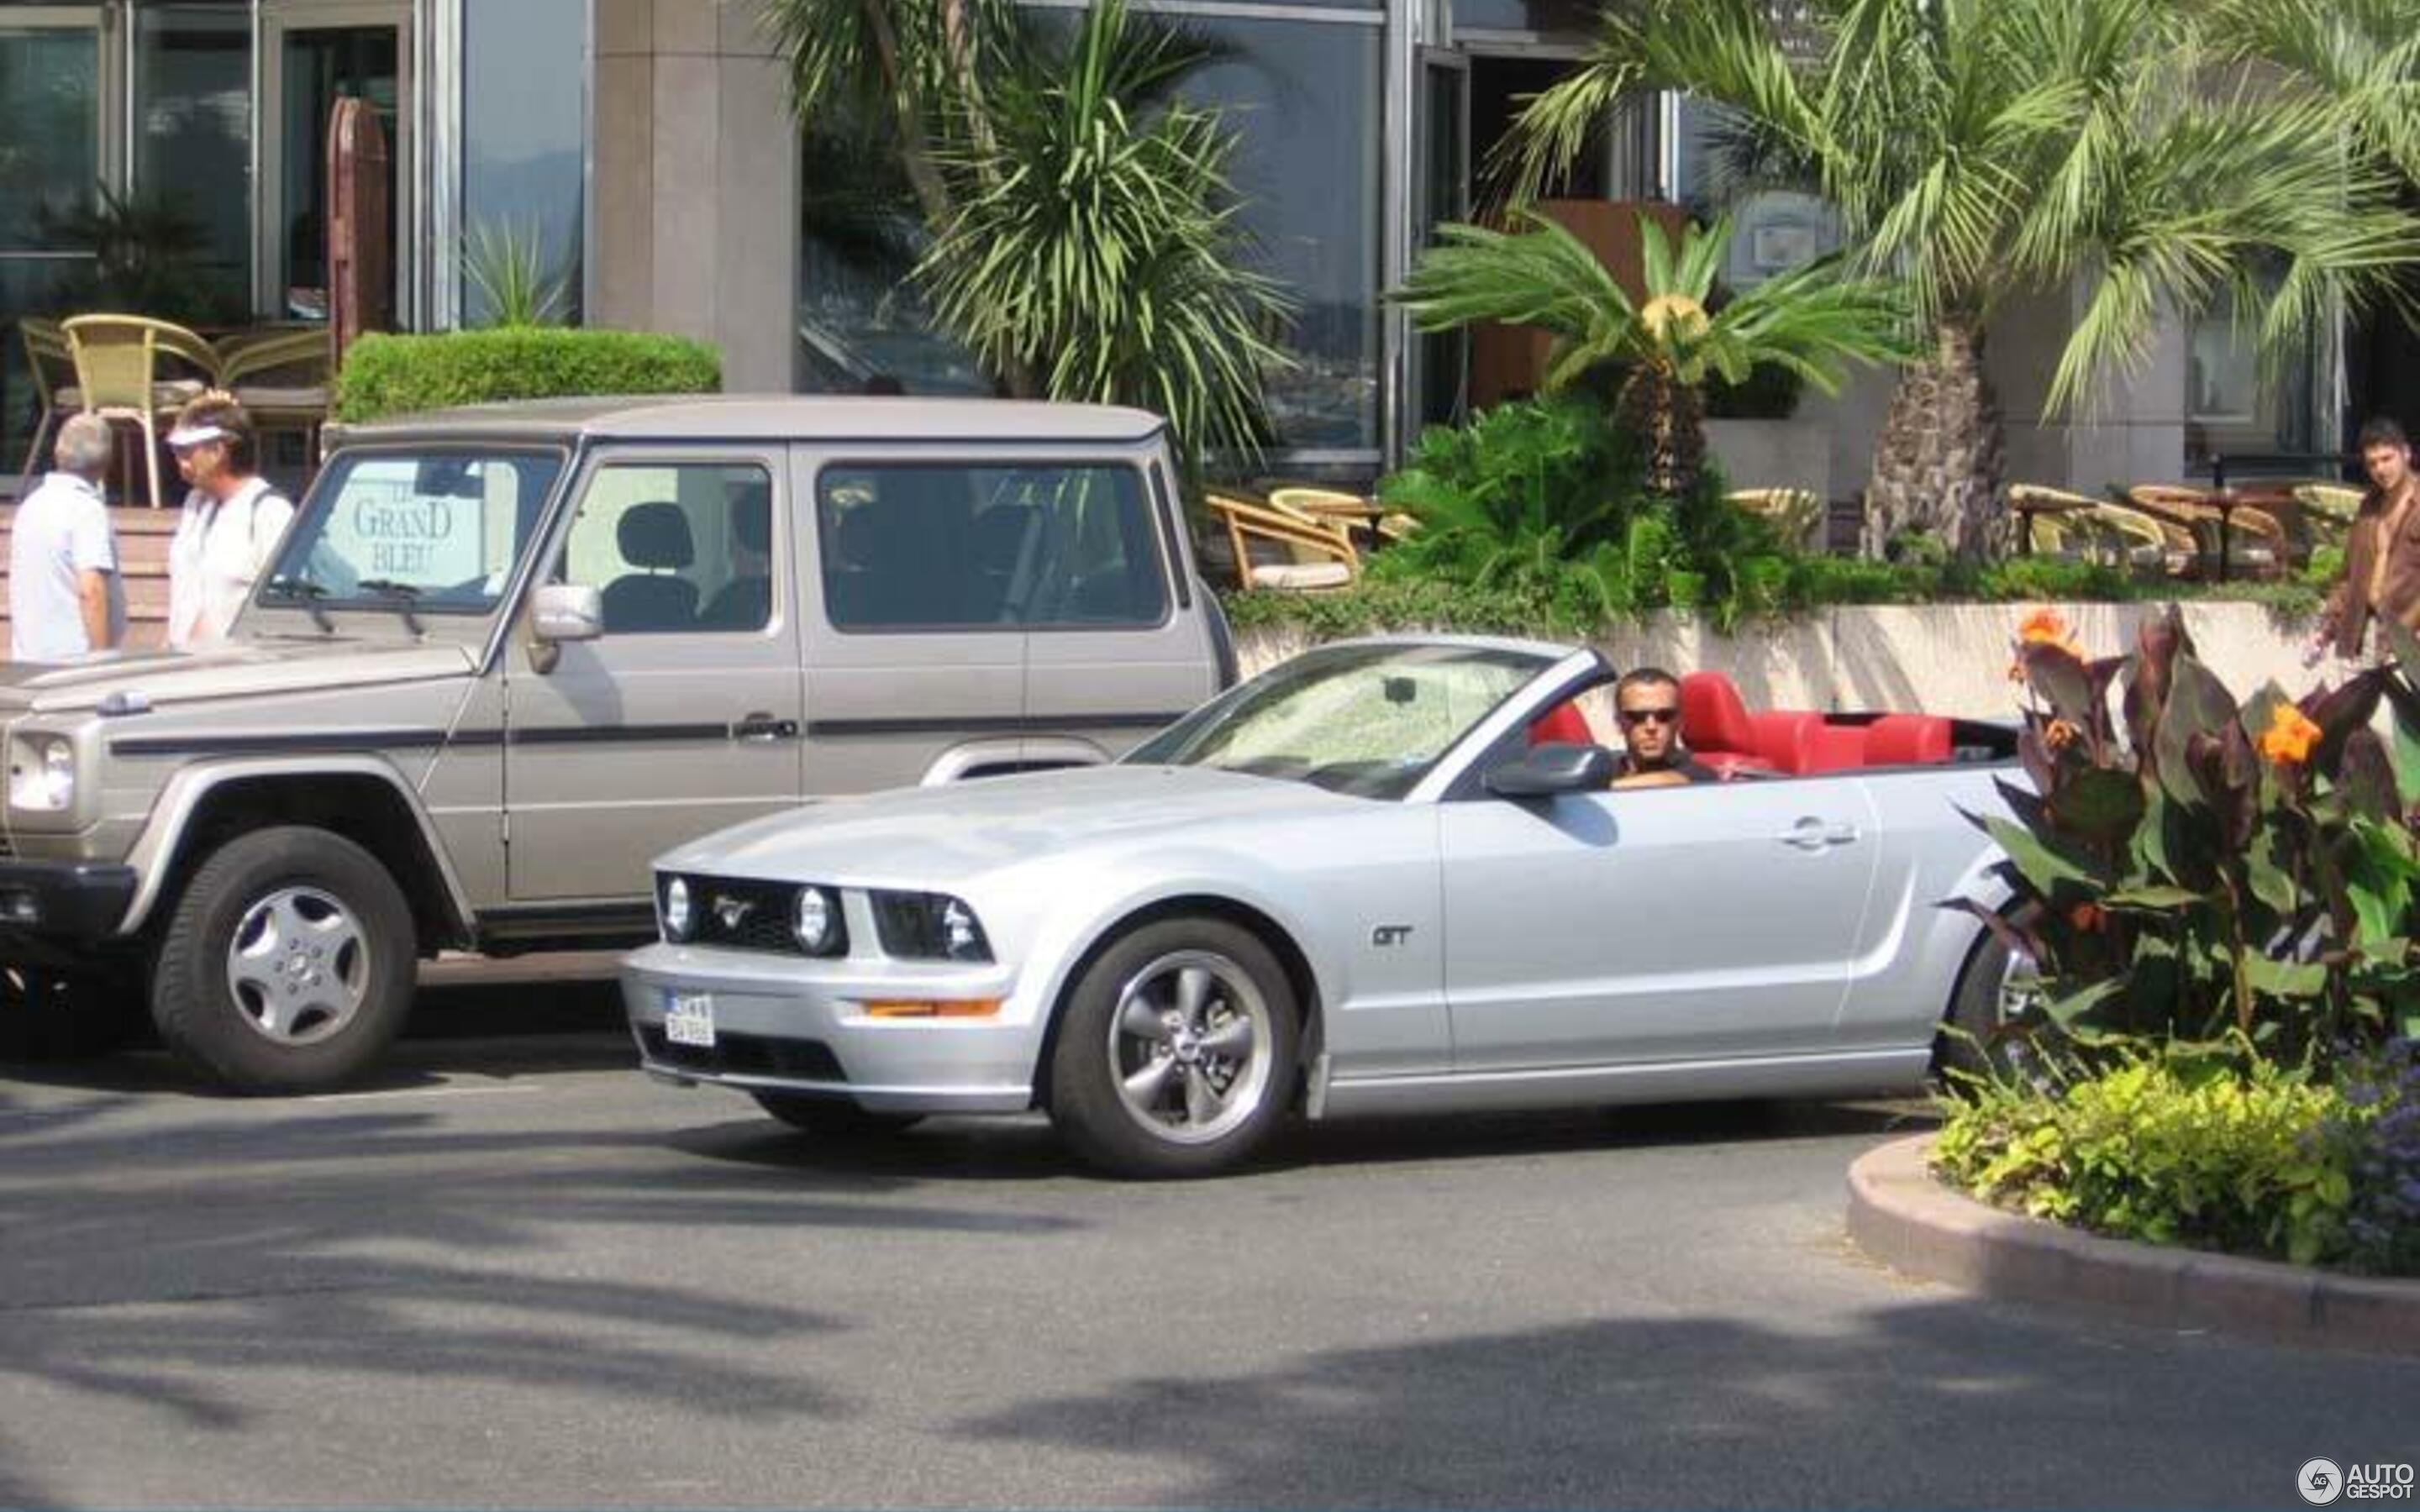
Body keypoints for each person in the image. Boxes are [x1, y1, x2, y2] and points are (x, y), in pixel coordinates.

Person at [164, 393, 295, 650]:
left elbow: (285, 607)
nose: (180, 463)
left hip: (235, 670)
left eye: (187, 452)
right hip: (184, 667)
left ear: (218, 451)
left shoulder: (269, 512)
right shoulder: (196, 504)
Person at [8, 413, 127, 661]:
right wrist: (102, 662)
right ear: (107, 461)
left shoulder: (32, 505)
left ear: (57, 452)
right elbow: (91, 589)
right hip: (73, 664)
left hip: (30, 657)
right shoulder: (86, 510)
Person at [2313, 416, 2420, 663]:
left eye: (2387, 459)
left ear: (2406, 453)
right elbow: (2348, 575)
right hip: (2368, 635)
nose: (2381, 470)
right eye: (2372, 464)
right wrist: (2328, 627)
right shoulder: (2368, 508)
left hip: (2410, 638)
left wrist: (2409, 628)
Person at [1610, 666, 1717, 788]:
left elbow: (1675, 780)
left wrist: (1598, 788)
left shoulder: (1701, 777)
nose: (1651, 727)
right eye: (1637, 717)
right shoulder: (1605, 767)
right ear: (1618, 723)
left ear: (1680, 722)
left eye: (1664, 716)